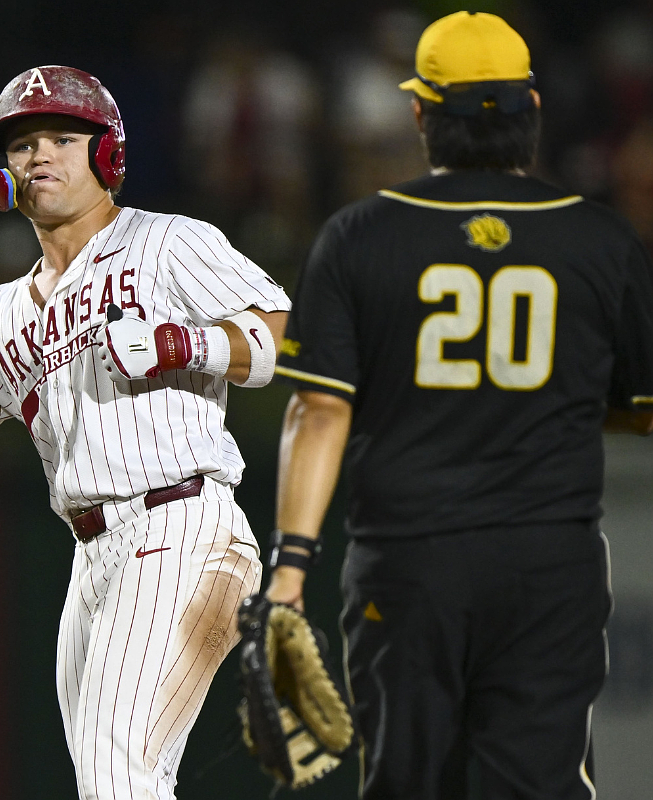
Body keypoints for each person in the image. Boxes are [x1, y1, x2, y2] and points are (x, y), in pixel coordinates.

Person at [0, 66, 290, 800]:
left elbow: (282, 335)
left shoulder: (167, 242)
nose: (40, 154)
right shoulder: (1, 313)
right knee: (114, 781)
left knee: (117, 774)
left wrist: (186, 345)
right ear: (1, 172)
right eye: (21, 143)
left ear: (105, 153)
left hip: (181, 523)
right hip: (93, 555)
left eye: (62, 137)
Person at [265, 12, 653, 799]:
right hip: (547, 563)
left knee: (407, 786)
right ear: (532, 109)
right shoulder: (602, 242)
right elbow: (641, 407)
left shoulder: (358, 235)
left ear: (420, 115)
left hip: (409, 560)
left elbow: (320, 411)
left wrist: (290, 568)